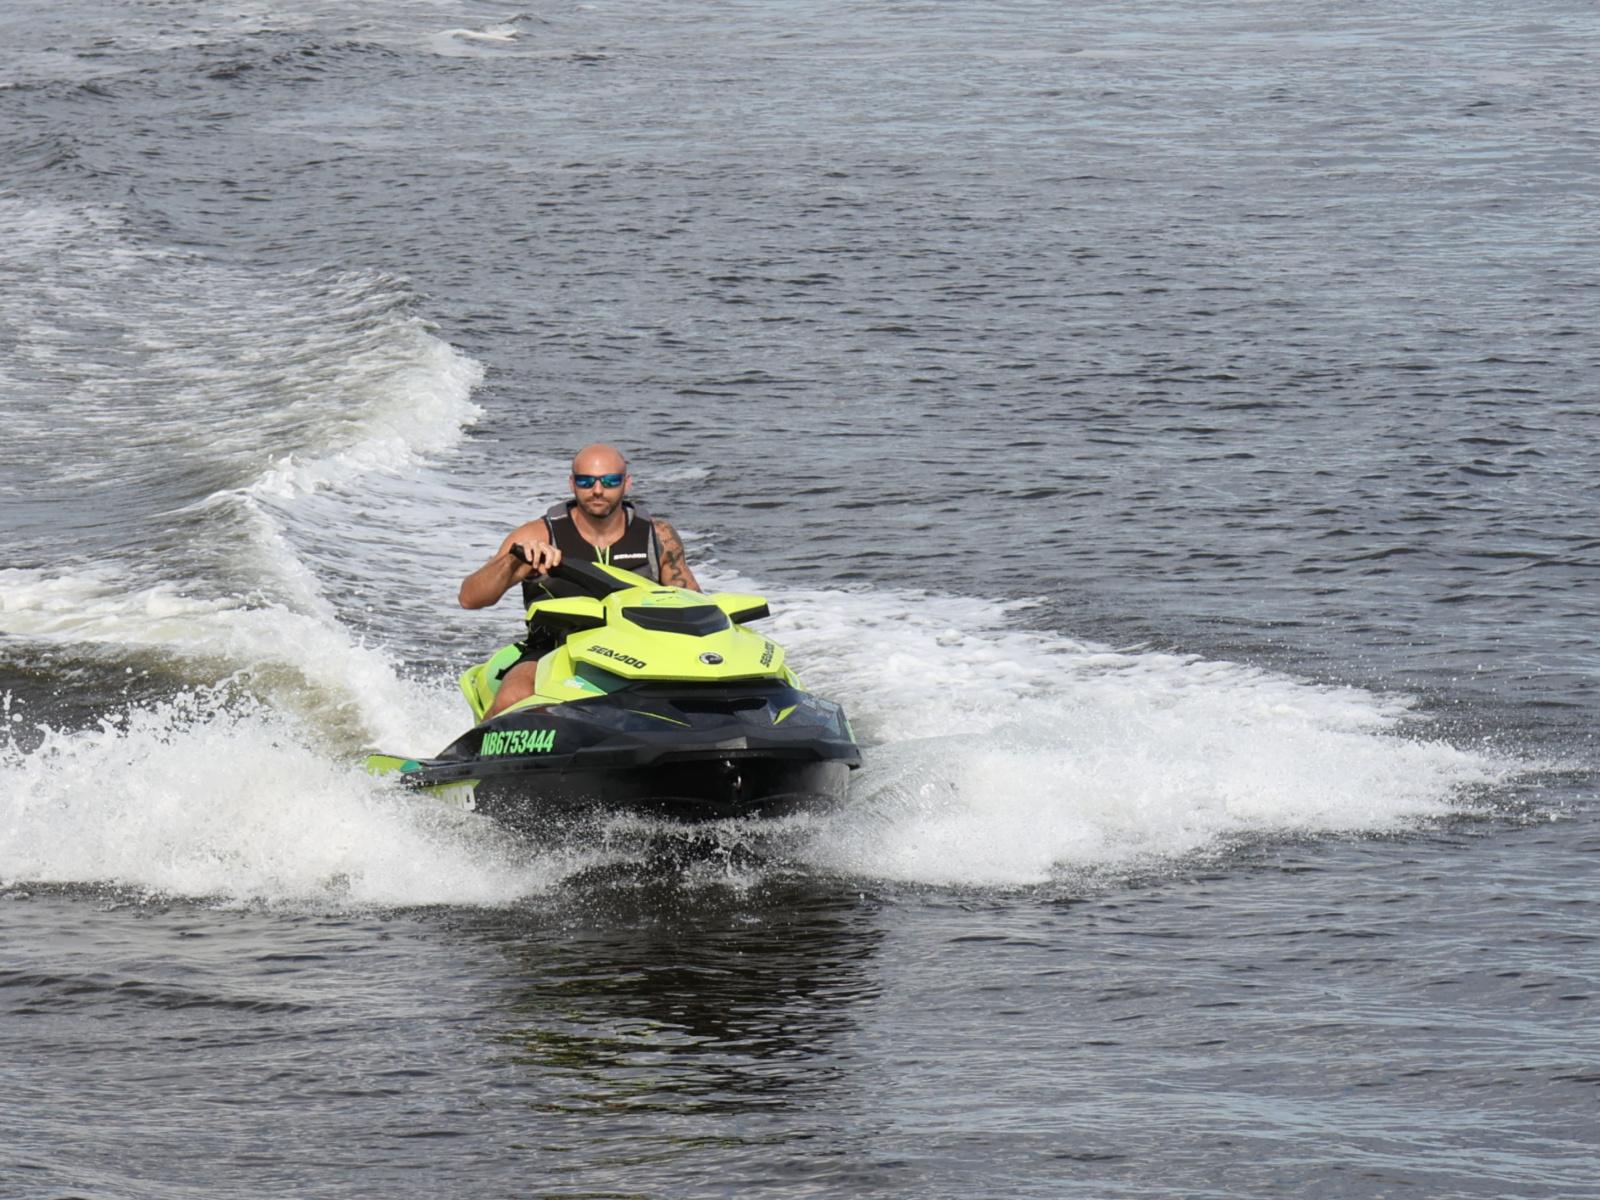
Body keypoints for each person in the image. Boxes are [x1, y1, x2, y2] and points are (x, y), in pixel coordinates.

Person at [459, 443, 700, 717]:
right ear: (572, 484)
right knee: (512, 698)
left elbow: (692, 603)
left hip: (641, 650)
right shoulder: (538, 534)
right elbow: (470, 598)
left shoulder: (657, 535)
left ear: (627, 483)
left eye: (609, 481)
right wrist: (515, 558)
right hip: (556, 650)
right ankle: (474, 756)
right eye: (587, 481)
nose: (598, 490)